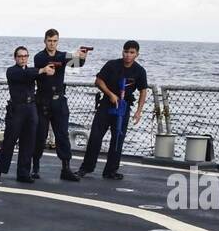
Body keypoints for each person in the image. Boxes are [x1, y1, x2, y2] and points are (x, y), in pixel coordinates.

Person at [78, 39, 148, 180]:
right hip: (106, 105)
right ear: (122, 51)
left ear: (137, 54)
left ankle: (110, 171)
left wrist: (139, 111)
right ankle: (86, 168)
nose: (128, 55)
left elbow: (143, 91)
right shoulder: (112, 65)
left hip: (123, 107)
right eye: (126, 51)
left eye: (131, 53)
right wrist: (110, 94)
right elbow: (98, 80)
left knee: (117, 140)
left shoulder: (139, 71)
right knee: (95, 137)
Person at [0, 47, 56, 184]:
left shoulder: (32, 71)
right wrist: (42, 70)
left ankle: (23, 173)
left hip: (31, 108)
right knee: (9, 141)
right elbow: (25, 75)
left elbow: (40, 77)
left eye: (25, 56)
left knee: (28, 142)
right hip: (17, 109)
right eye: (20, 56)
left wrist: (49, 70)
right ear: (15, 58)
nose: (23, 58)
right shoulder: (12, 71)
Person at [32, 29, 86, 181]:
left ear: (58, 41)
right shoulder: (39, 57)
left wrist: (82, 56)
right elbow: (46, 64)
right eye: (49, 40)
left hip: (59, 101)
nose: (52, 43)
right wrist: (70, 58)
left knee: (62, 135)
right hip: (43, 101)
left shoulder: (62, 55)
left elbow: (77, 64)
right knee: (40, 136)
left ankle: (66, 168)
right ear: (45, 41)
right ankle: (35, 166)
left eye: (55, 41)